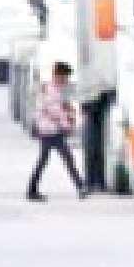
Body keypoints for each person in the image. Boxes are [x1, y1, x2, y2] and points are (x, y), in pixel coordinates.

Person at [26, 62, 86, 201]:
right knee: (64, 159)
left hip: (50, 129)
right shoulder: (50, 90)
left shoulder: (53, 89)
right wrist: (66, 124)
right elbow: (54, 111)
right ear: (57, 75)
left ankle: (32, 190)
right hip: (50, 130)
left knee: (54, 159)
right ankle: (80, 187)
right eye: (64, 77)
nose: (66, 80)